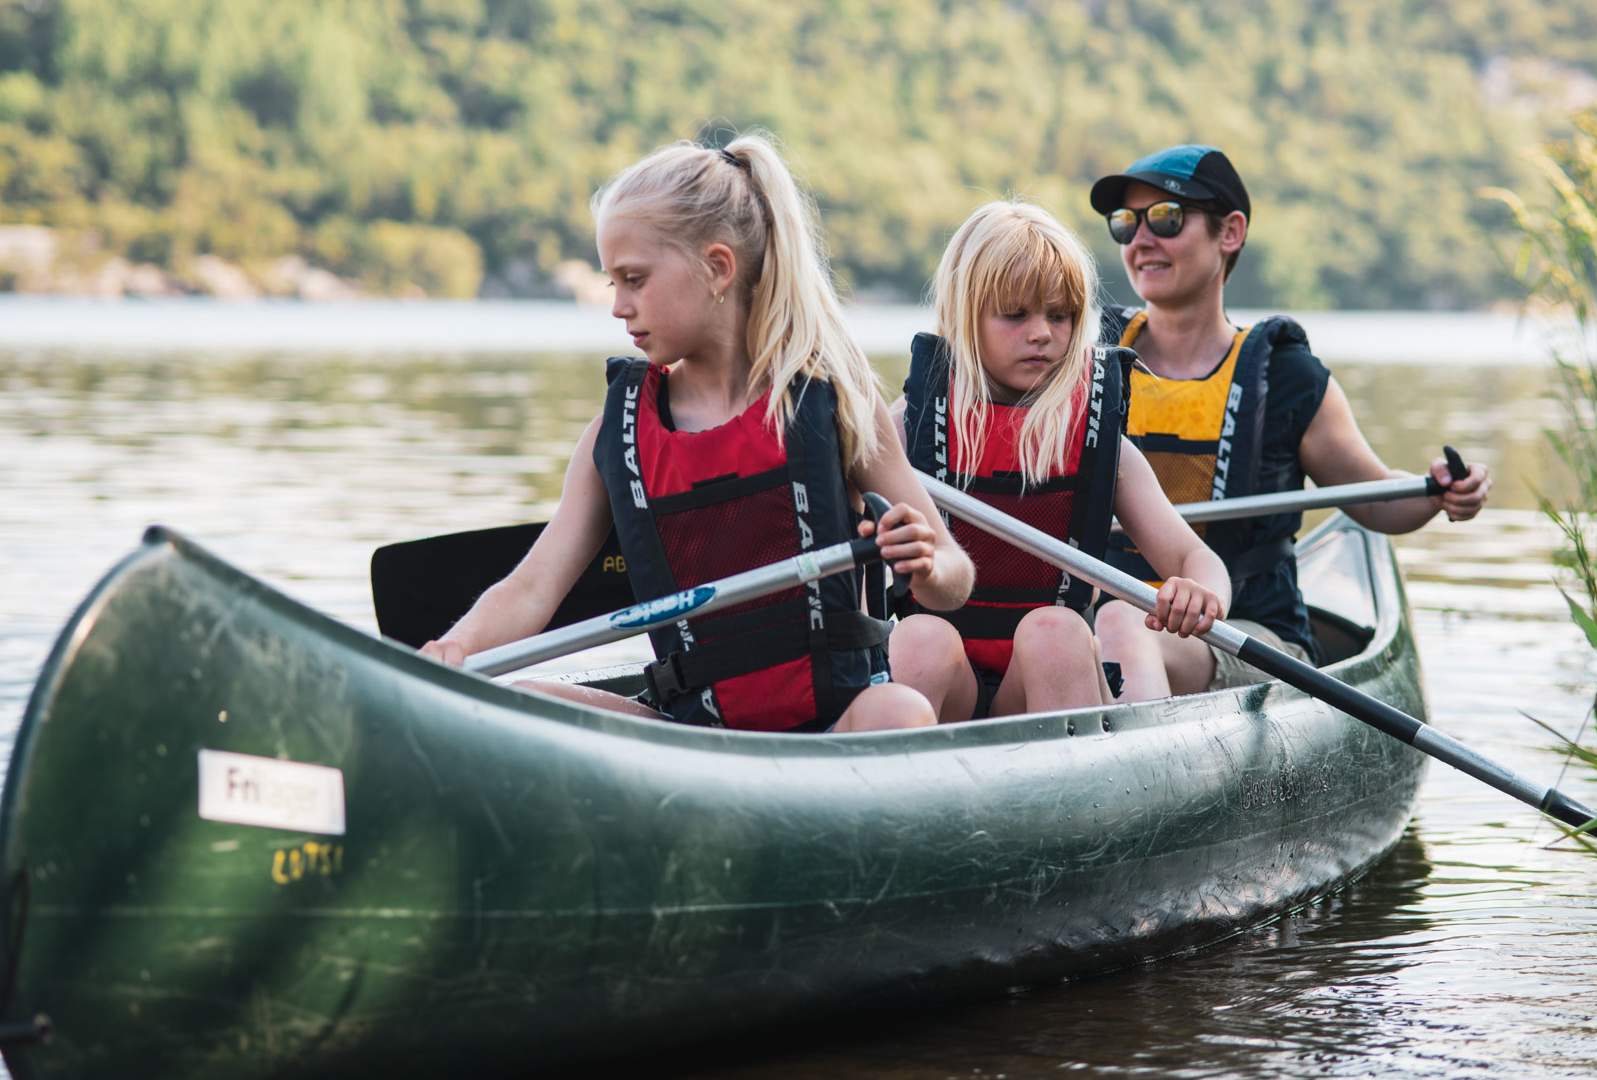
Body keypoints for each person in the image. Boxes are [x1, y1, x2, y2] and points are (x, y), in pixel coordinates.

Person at [420, 134, 974, 733]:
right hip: (694, 744)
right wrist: (456, 648)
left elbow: (954, 580)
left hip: (835, 734)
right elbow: (532, 589)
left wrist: (925, 564)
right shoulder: (615, 437)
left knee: (901, 709)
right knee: (526, 697)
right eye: (613, 283)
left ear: (716, 268)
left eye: (635, 279)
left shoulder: (836, 401)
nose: (618, 306)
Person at [1087, 145, 1491, 699]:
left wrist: (1441, 493)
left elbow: (1375, 500)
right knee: (1072, 628)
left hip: (1246, 636)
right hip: (1104, 622)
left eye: (1166, 218)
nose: (1141, 241)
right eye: (1126, 224)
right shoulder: (1087, 361)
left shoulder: (1286, 377)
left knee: (1121, 624)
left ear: (1230, 232)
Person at [885, 200, 1230, 721]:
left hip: (1043, 679)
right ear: (964, 313)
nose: (1042, 333)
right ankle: (896, 786)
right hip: (947, 684)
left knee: (1056, 629)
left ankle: (1078, 793)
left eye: (1060, 315)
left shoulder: (1096, 442)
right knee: (918, 636)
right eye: (1016, 314)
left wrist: (1200, 593)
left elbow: (1192, 559)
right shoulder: (906, 428)